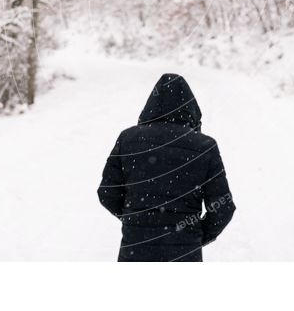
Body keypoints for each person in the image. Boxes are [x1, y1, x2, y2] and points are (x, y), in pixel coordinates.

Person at [97, 72, 236, 262]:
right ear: (191, 108)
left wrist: (136, 221)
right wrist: (195, 236)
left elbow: (107, 193)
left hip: (135, 252)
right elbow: (223, 207)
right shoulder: (205, 147)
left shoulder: (128, 139)